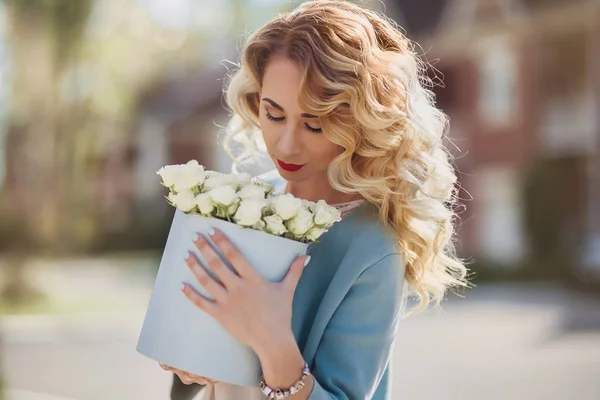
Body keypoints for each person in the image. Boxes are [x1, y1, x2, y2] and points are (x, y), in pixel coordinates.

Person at [161, 1, 470, 399]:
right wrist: (191, 361)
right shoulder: (244, 201)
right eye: (274, 115)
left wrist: (272, 340)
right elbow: (196, 374)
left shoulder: (372, 249)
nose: (287, 145)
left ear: (358, 121)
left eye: (314, 124)